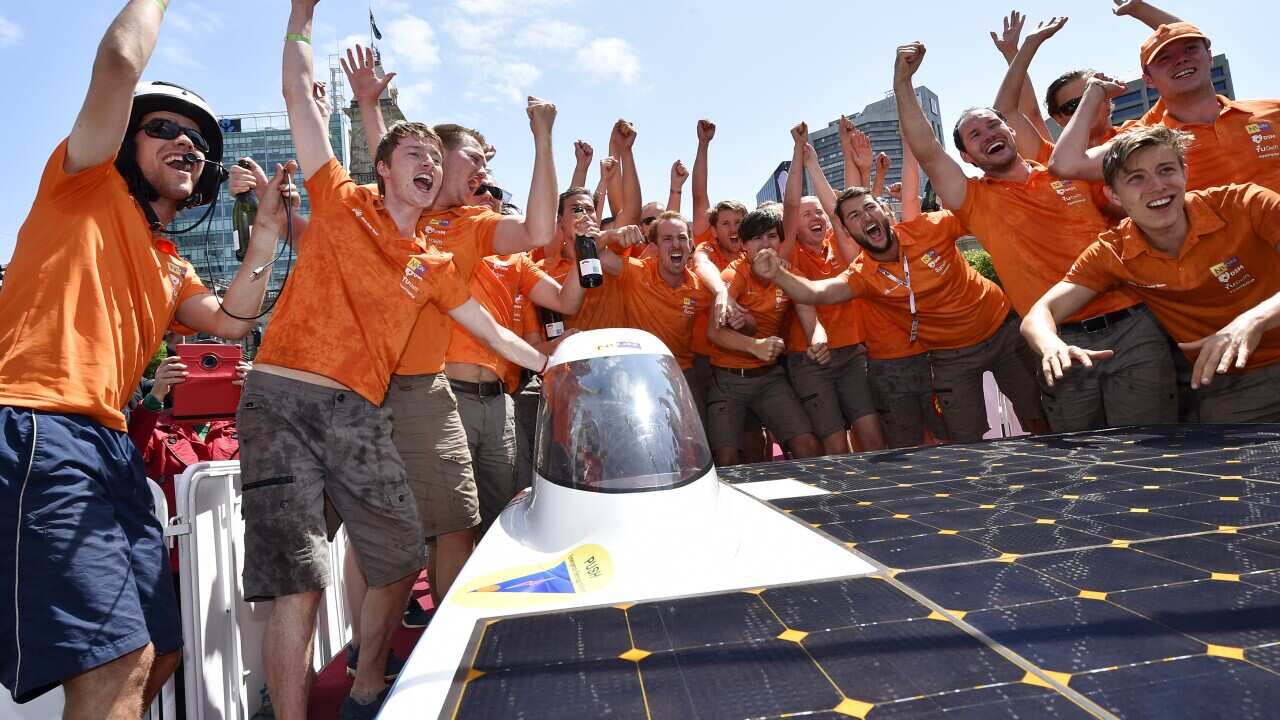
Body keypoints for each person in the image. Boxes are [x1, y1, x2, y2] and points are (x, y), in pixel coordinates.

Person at [243, 6, 548, 719]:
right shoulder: (340, 200)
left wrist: (559, 365)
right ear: (381, 168)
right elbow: (297, 94)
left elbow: (497, 335)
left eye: (436, 161)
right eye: (415, 156)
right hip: (282, 399)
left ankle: (367, 682)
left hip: (357, 412)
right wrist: (300, 15)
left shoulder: (435, 260)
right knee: (300, 581)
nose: (430, 165)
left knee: (402, 550)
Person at [0, 1, 286, 713]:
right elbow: (122, 63)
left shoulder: (170, 262)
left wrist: (266, 241)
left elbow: (231, 322)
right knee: (118, 659)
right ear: (125, 140)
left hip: (111, 445)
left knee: (163, 645)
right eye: (164, 130)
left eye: (197, 141)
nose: (186, 145)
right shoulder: (82, 181)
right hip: (39, 427)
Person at [894, 40, 1176, 432]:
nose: (987, 133)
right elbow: (925, 148)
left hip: (1133, 327)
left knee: (1155, 445)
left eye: (993, 124)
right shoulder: (972, 199)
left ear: (1011, 130)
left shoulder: (1064, 169)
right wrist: (903, 81)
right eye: (974, 135)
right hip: (1057, 341)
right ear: (968, 158)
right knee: (1086, 463)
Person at [754, 185, 1047, 444]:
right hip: (951, 355)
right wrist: (778, 274)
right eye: (854, 216)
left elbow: (981, 215)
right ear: (844, 231)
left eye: (869, 207)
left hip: (1002, 330)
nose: (865, 217)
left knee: (1038, 415)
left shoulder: (929, 227)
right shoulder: (862, 275)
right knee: (965, 441)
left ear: (884, 210)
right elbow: (815, 293)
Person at [1024, 127, 1280, 423]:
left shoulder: (1246, 203)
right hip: (1232, 382)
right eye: (1136, 178)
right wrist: (1051, 345)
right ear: (1113, 194)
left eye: (1166, 170)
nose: (1157, 186)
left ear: (1185, 172)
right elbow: (1039, 314)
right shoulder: (1113, 251)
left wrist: (1253, 321)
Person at [1049, 5, 1280, 194]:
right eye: (1164, 58)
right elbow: (1066, 165)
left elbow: (1185, 32)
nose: (1180, 60)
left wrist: (1139, 7)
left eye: (1190, 49)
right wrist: (1093, 93)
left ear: (1209, 57)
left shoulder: (1272, 111)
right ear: (1148, 79)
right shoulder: (1146, 140)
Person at [783, 124, 886, 453]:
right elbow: (803, 301)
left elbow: (844, 209)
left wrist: (844, 155)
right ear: (793, 226)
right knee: (835, 444)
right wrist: (800, 157)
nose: (817, 217)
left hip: (852, 354)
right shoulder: (789, 253)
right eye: (806, 213)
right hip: (810, 358)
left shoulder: (841, 247)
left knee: (871, 433)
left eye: (819, 214)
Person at [706, 206, 823, 466]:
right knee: (727, 458)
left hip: (770, 378)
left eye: (771, 236)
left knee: (808, 445)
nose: (765, 243)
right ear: (744, 245)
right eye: (757, 238)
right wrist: (754, 345)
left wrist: (818, 341)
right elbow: (714, 331)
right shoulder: (733, 274)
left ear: (781, 241)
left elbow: (810, 317)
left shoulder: (789, 274)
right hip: (728, 378)